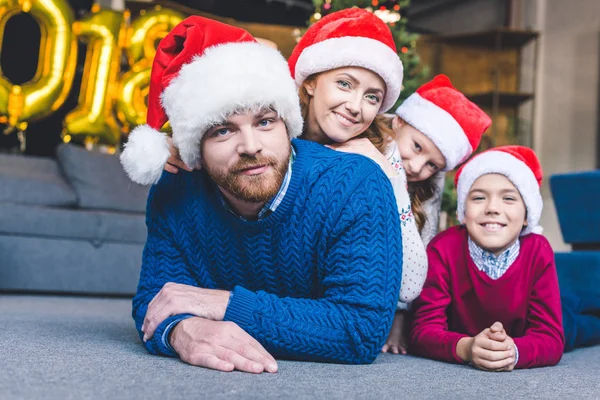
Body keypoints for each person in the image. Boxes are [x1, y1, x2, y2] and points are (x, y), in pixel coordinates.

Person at [120, 16, 404, 373]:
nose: (251, 146)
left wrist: (224, 305)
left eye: (265, 122)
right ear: (194, 149)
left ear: (288, 123)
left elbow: (360, 330)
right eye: (223, 130)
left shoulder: (357, 184)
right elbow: (157, 298)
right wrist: (180, 330)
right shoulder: (176, 189)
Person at [410, 145, 565, 370]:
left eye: (509, 199)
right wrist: (466, 347)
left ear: (526, 216)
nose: (492, 208)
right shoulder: (443, 248)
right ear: (463, 213)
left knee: (582, 320)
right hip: (469, 338)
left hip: (539, 326)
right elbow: (422, 331)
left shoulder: (538, 250)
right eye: (479, 198)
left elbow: (550, 338)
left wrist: (514, 352)